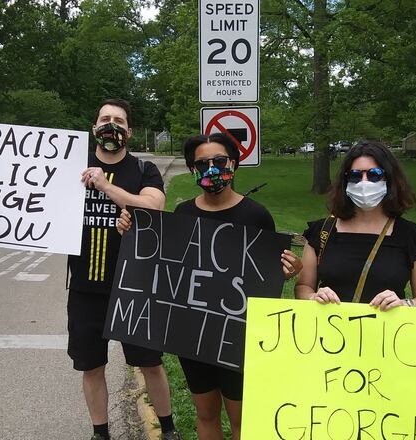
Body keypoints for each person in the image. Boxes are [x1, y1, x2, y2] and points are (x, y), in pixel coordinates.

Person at [0, 99, 180, 440]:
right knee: (91, 365)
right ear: (94, 127)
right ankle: (100, 433)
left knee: (150, 362)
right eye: (105, 119)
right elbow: (8, 186)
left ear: (130, 131)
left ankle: (168, 430)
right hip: (85, 287)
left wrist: (106, 187)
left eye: (119, 120)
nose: (111, 125)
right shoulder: (68, 165)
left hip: (133, 286)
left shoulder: (142, 169)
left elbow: (154, 205)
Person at [117, 133, 302, 440]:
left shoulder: (257, 215)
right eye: (202, 163)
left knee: (241, 417)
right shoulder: (184, 214)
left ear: (234, 164)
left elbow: (267, 276)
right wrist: (133, 236)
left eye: (219, 161)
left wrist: (288, 271)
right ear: (192, 169)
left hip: (239, 335)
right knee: (205, 412)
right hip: (195, 333)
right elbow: (166, 266)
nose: (212, 168)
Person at [294, 141, 416, 310]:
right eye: (355, 175)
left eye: (374, 174)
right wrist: (313, 297)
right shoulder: (321, 232)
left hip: (387, 326)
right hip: (330, 325)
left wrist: (403, 304)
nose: (364, 182)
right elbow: (303, 287)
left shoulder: (411, 236)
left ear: (389, 178)